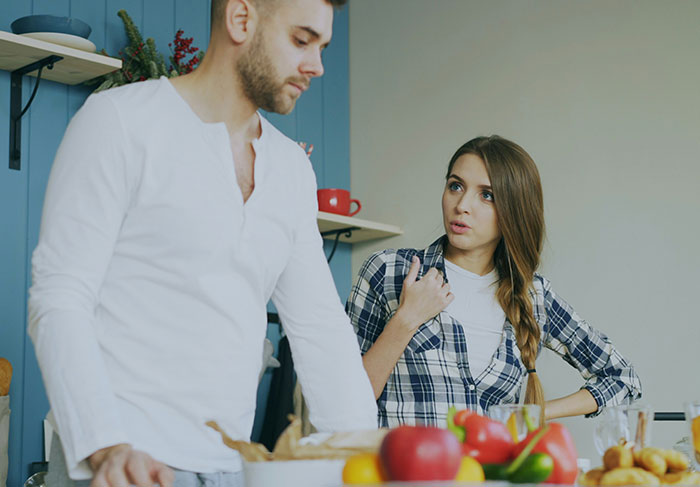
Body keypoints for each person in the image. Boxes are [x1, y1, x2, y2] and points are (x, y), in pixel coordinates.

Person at [27, 0, 377, 486]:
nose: (316, 65)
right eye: (301, 40)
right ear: (241, 19)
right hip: (119, 464)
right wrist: (108, 448)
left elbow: (320, 328)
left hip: (230, 468)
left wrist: (370, 456)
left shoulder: (291, 170)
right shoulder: (119, 122)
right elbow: (59, 297)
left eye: (322, 46)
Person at [346, 135, 642, 428]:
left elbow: (621, 377)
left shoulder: (533, 296)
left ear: (514, 211)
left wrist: (536, 413)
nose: (462, 205)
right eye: (455, 186)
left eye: (487, 195)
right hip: (403, 474)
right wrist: (406, 319)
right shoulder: (389, 271)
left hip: (491, 474)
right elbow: (342, 400)